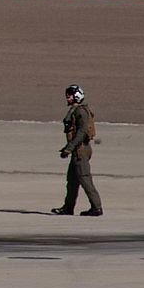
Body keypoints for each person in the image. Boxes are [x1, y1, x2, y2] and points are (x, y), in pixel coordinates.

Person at [52, 83, 103, 216]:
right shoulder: (76, 110)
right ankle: (68, 208)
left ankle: (96, 208)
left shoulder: (80, 111)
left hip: (81, 150)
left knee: (85, 179)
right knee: (72, 182)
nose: (67, 98)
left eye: (69, 96)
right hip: (77, 150)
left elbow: (82, 132)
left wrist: (69, 148)